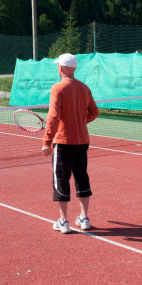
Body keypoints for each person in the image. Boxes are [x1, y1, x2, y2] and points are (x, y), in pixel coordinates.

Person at [42, 53, 99, 234]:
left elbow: (53, 117)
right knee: (82, 177)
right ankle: (84, 218)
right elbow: (94, 112)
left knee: (61, 180)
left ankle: (64, 221)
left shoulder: (57, 88)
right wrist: (80, 123)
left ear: (62, 67)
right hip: (82, 141)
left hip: (63, 143)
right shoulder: (84, 88)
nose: (57, 68)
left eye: (58, 65)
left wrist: (47, 141)